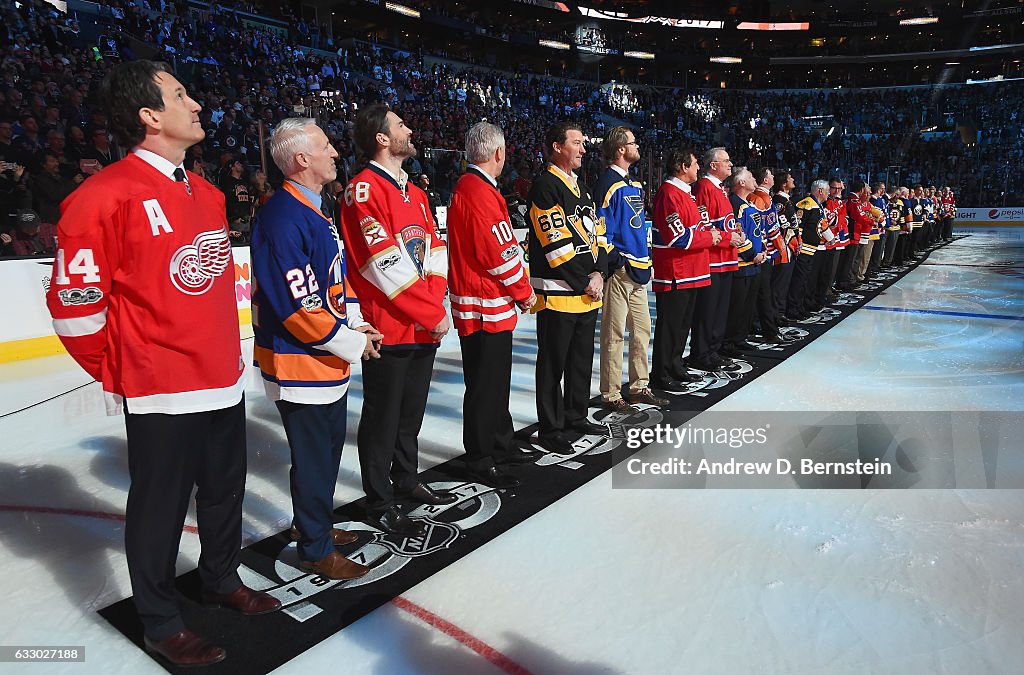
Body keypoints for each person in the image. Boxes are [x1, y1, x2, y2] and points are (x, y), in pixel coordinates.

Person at [45, 60, 280, 669]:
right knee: (160, 509)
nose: (196, 104)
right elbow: (74, 307)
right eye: (180, 96)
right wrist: (127, 366)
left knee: (226, 492)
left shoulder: (205, 193)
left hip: (220, 379)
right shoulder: (101, 196)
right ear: (149, 116)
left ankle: (220, 579)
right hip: (161, 389)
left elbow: (210, 287)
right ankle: (160, 620)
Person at [250, 118, 377, 581]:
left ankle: (316, 525)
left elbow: (328, 286)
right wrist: (352, 342)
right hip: (298, 362)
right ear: (302, 159)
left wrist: (353, 324)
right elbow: (296, 306)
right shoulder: (283, 216)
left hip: (324, 358)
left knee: (324, 453)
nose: (335, 153)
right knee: (312, 458)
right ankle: (314, 547)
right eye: (325, 146)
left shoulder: (313, 210)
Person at [339, 103, 456, 538]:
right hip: (389, 325)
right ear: (382, 139)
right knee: (383, 416)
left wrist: (435, 304)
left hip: (423, 323)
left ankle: (406, 478)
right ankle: (379, 497)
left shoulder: (418, 193)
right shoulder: (363, 191)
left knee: (411, 414)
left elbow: (436, 249)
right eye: (401, 125)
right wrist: (432, 309)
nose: (410, 128)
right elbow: (380, 262)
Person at [447, 121, 539, 489]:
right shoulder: (479, 192)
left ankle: (500, 442)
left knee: (494, 382)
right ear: (498, 153)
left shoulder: (473, 188)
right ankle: (481, 456)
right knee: (486, 385)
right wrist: (524, 291)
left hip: (484, 302)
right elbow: (498, 253)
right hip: (484, 305)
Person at [527, 121, 608, 455]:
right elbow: (554, 243)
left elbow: (599, 236)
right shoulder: (545, 185)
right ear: (557, 146)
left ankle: (576, 415)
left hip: (587, 293)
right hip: (559, 293)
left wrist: (600, 273)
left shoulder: (583, 188)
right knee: (552, 364)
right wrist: (585, 280)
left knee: (579, 361)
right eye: (576, 142)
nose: (583, 149)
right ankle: (550, 426)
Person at [593, 126, 667, 410]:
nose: (638, 146)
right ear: (621, 149)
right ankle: (611, 393)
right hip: (621, 273)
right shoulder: (607, 184)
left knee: (642, 331)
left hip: (639, 271)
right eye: (633, 143)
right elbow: (601, 231)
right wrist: (617, 261)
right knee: (613, 335)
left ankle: (639, 386)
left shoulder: (633, 185)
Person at [649, 147, 721, 390]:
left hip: (691, 271)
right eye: (694, 164)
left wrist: (707, 234)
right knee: (670, 327)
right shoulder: (669, 194)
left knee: (681, 327)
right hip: (676, 273)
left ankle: (676, 366)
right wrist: (709, 238)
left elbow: (696, 230)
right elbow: (677, 238)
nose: (698, 168)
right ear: (682, 167)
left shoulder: (686, 194)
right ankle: (662, 373)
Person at [691, 147, 743, 372]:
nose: (730, 165)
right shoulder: (704, 187)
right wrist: (726, 238)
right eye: (726, 161)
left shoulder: (720, 188)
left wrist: (735, 230)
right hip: (713, 259)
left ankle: (714, 350)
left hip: (726, 257)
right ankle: (702, 353)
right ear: (713, 165)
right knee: (708, 310)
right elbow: (703, 225)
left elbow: (722, 222)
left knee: (720, 309)